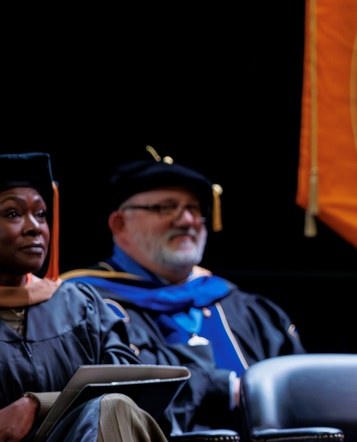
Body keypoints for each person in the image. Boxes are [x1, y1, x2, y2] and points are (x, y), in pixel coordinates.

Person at [61, 150, 305, 433]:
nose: (187, 220)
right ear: (120, 224)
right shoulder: (82, 306)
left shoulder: (247, 309)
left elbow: (300, 394)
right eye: (166, 207)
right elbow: (112, 401)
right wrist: (221, 389)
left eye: (195, 209)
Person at [1, 152, 167, 442]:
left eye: (41, 214)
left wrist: (39, 405)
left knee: (115, 407)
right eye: (13, 214)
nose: (35, 227)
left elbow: (131, 394)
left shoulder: (81, 306)